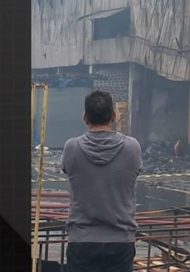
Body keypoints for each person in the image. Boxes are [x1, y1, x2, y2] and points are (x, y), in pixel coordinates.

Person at [61, 90, 142, 272]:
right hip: (120, 241)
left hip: (82, 241)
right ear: (113, 116)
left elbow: (67, 170)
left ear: (85, 117)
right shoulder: (132, 147)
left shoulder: (72, 147)